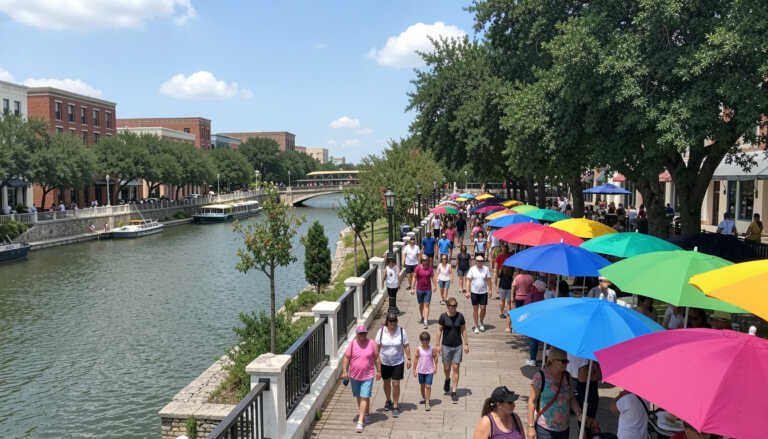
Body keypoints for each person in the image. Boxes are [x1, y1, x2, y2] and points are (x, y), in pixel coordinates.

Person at [528, 348, 583, 439]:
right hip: (545, 428)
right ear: (552, 361)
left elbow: (571, 398)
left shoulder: (567, 376)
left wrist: (578, 412)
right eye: (563, 361)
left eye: (567, 361)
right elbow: (532, 402)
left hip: (564, 428)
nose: (566, 364)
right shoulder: (540, 376)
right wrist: (531, 427)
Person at [341, 324, 380, 433]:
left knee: (364, 396)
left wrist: (379, 371)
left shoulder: (371, 343)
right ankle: (365, 413)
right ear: (357, 334)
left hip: (368, 375)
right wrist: (345, 371)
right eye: (360, 334)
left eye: (364, 334)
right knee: (359, 396)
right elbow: (346, 358)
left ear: (366, 333)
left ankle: (360, 421)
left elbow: (376, 358)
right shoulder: (353, 344)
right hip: (354, 376)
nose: (362, 336)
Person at [375, 312, 411, 418]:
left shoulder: (401, 331)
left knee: (395, 383)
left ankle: (395, 405)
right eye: (390, 321)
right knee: (386, 382)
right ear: (387, 322)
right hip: (384, 362)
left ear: (397, 321)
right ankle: (388, 400)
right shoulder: (381, 332)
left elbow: (406, 345)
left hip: (398, 362)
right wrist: (376, 363)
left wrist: (409, 358)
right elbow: (377, 348)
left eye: (394, 321)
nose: (392, 323)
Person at [435, 297, 469, 404]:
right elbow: (439, 330)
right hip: (446, 346)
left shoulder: (460, 316)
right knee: (446, 367)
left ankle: (454, 391)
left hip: (457, 346)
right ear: (447, 306)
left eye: (454, 306)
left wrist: (466, 344)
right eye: (450, 306)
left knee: (455, 367)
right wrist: (437, 345)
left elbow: (463, 330)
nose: (453, 308)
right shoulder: (443, 317)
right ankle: (447, 379)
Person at [567, 353, 602, 437]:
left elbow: (599, 375)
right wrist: (594, 367)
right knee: (585, 421)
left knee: (586, 421)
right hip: (583, 387)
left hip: (583, 385)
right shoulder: (585, 355)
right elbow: (582, 377)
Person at [465, 255, 491, 333]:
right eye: (478, 261)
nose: (480, 262)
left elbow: (489, 280)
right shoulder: (472, 269)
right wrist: (467, 291)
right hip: (474, 292)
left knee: (483, 308)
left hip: (483, 292)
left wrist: (490, 290)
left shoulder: (486, 269)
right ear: (476, 261)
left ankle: (481, 321)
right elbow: (468, 280)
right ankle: (476, 325)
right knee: (475, 310)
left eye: (481, 261)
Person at [413, 331, 438, 411]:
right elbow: (416, 359)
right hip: (421, 371)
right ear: (421, 341)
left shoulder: (432, 349)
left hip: (429, 371)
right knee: (422, 386)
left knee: (428, 386)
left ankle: (427, 402)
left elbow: (435, 357)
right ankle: (424, 397)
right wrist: (414, 369)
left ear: (429, 340)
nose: (425, 342)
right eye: (423, 340)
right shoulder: (419, 349)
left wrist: (435, 367)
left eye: (427, 340)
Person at [524, 281, 546, 367]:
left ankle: (533, 359)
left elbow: (527, 306)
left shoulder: (532, 294)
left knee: (533, 340)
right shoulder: (545, 295)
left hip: (533, 320)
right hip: (543, 320)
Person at [413, 255, 436, 329]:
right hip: (419, 289)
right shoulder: (418, 268)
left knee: (426, 305)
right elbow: (414, 277)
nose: (424, 261)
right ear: (421, 261)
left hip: (428, 290)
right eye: (423, 260)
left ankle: (425, 321)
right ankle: (422, 317)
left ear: (428, 261)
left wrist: (435, 286)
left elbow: (433, 277)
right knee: (421, 305)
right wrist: (412, 287)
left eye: (425, 260)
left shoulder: (430, 269)